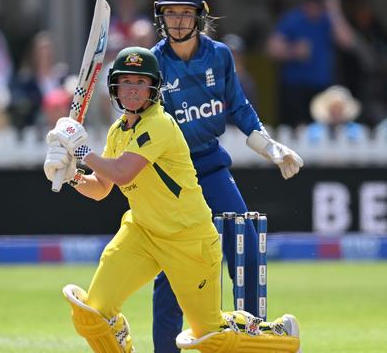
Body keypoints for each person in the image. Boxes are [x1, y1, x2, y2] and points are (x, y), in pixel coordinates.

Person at [43, 46, 302, 353]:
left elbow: (123, 173)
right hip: (142, 233)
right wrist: (73, 174)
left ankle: (281, 336)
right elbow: (101, 187)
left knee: (209, 336)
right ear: (115, 87)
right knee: (94, 312)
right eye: (126, 82)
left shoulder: (160, 124)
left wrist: (82, 151)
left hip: (188, 240)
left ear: (154, 87)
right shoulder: (117, 132)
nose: (133, 90)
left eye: (141, 83)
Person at [150, 0, 304, 352]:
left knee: (247, 249)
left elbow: (239, 107)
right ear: (161, 17)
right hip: (170, 175)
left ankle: (250, 340)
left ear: (200, 15)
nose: (177, 21)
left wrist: (272, 147)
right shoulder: (153, 62)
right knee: (173, 268)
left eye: (185, 13)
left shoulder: (219, 56)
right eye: (170, 13)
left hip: (210, 165)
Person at [267, 0, 355, 127]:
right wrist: (293, 51)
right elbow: (272, 49)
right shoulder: (292, 19)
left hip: (322, 87)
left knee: (321, 129)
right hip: (295, 87)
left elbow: (348, 42)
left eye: (318, 2)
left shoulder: (328, 19)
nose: (313, 6)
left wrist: (335, 11)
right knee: (296, 129)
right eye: (310, 2)